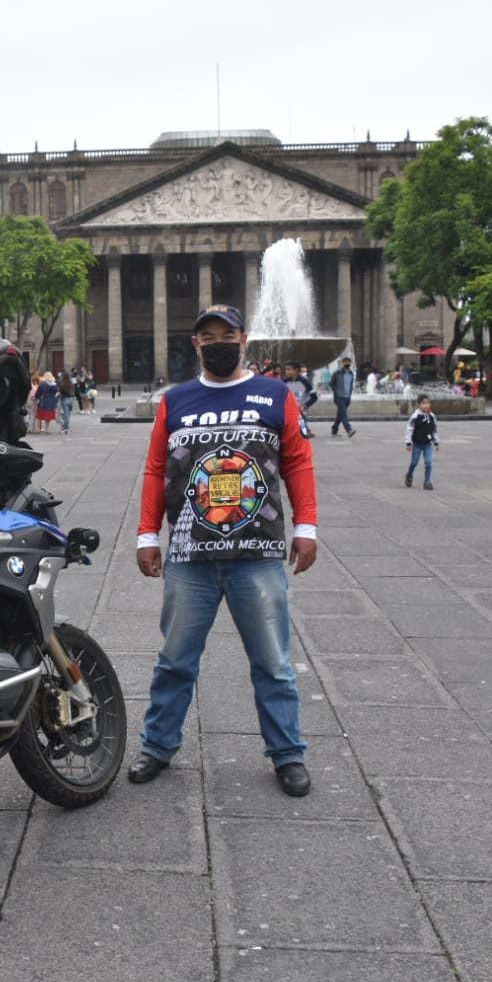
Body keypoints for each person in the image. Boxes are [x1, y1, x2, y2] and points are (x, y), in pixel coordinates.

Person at [129, 303, 318, 799]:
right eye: (207, 335)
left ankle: (288, 753)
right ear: (196, 344)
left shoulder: (275, 395)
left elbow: (297, 461)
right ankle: (158, 745)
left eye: (227, 334)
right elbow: (155, 469)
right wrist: (148, 534)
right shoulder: (176, 400)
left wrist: (308, 527)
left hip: (257, 553)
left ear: (243, 339)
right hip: (190, 553)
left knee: (273, 662)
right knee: (174, 659)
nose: (218, 342)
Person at [405, 395, 440, 490]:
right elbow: (409, 428)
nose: (426, 405)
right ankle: (409, 474)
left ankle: (427, 481)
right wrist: (408, 442)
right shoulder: (415, 416)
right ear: (418, 404)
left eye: (428, 403)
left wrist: (436, 442)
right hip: (417, 444)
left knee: (428, 462)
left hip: (427, 444)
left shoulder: (432, 416)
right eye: (423, 403)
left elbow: (434, 429)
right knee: (414, 462)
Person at [282, 363, 315, 438]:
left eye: (289, 369)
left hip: (300, 412)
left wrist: (305, 406)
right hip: (288, 412)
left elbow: (314, 397)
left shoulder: (304, 382)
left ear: (296, 370)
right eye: (286, 369)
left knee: (302, 435)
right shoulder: (284, 382)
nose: (286, 371)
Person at [329, 356, 357, 437]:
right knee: (344, 414)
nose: (347, 363)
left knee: (340, 415)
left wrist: (350, 393)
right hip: (339, 397)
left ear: (351, 363)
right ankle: (349, 430)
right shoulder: (337, 372)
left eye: (348, 362)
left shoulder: (351, 373)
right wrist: (336, 392)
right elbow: (331, 383)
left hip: (347, 397)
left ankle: (334, 429)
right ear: (342, 363)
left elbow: (351, 384)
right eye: (345, 362)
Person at [56, 369, 76, 434]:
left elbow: (59, 391)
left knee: (66, 415)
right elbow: (74, 391)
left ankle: (66, 429)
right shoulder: (71, 383)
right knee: (68, 414)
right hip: (71, 399)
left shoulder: (62, 383)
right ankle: (65, 427)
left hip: (65, 399)